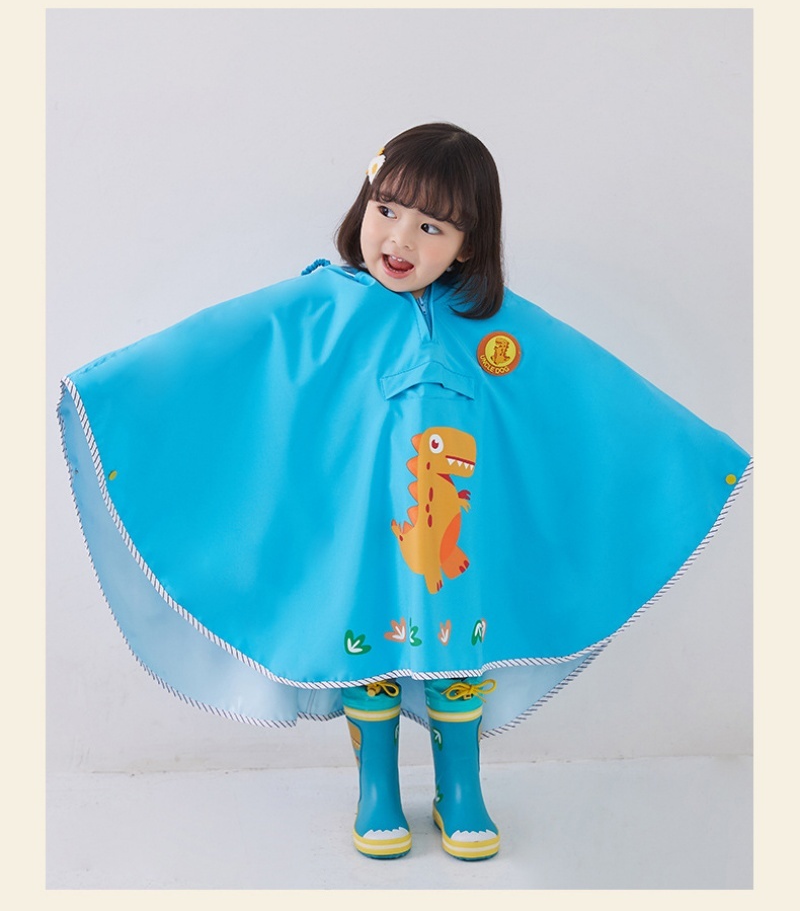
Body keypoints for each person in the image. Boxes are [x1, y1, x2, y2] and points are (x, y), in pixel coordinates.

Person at [58, 122, 751, 863]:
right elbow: (219, 349)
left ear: (468, 246)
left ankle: (461, 788)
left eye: (432, 226)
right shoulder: (320, 308)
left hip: (456, 536)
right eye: (386, 210)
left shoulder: (494, 328)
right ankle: (377, 790)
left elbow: (586, 391)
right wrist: (115, 391)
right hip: (359, 533)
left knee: (458, 657)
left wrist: (685, 453)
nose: (399, 238)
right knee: (368, 655)